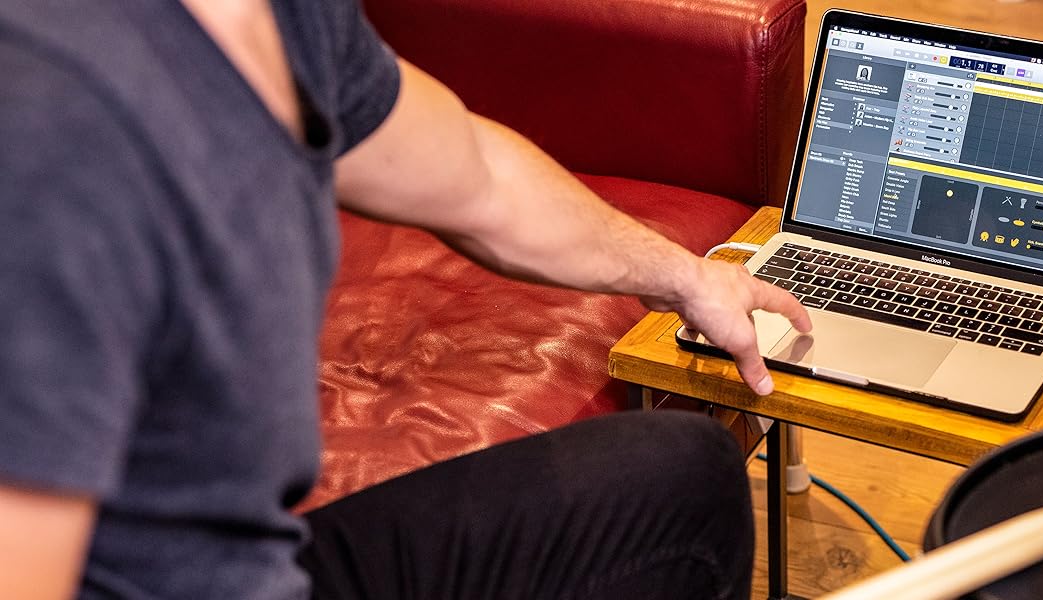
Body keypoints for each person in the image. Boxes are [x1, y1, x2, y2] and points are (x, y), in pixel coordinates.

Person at [0, 0, 811, 598]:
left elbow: (477, 178)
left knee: (681, 484)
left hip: (253, 563)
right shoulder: (57, 122)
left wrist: (690, 278)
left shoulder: (282, 22)